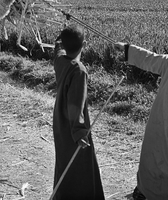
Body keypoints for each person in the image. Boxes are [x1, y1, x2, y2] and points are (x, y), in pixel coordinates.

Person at [114, 31, 168, 200]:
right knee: (151, 161)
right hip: (158, 127)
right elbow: (151, 59)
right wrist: (128, 50)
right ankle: (144, 191)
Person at [52, 23, 105, 200]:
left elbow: (58, 49)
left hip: (60, 122)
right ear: (84, 44)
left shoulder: (60, 61)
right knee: (79, 165)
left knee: (64, 160)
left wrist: (61, 39)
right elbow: (76, 103)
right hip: (73, 126)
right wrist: (79, 132)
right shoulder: (79, 70)